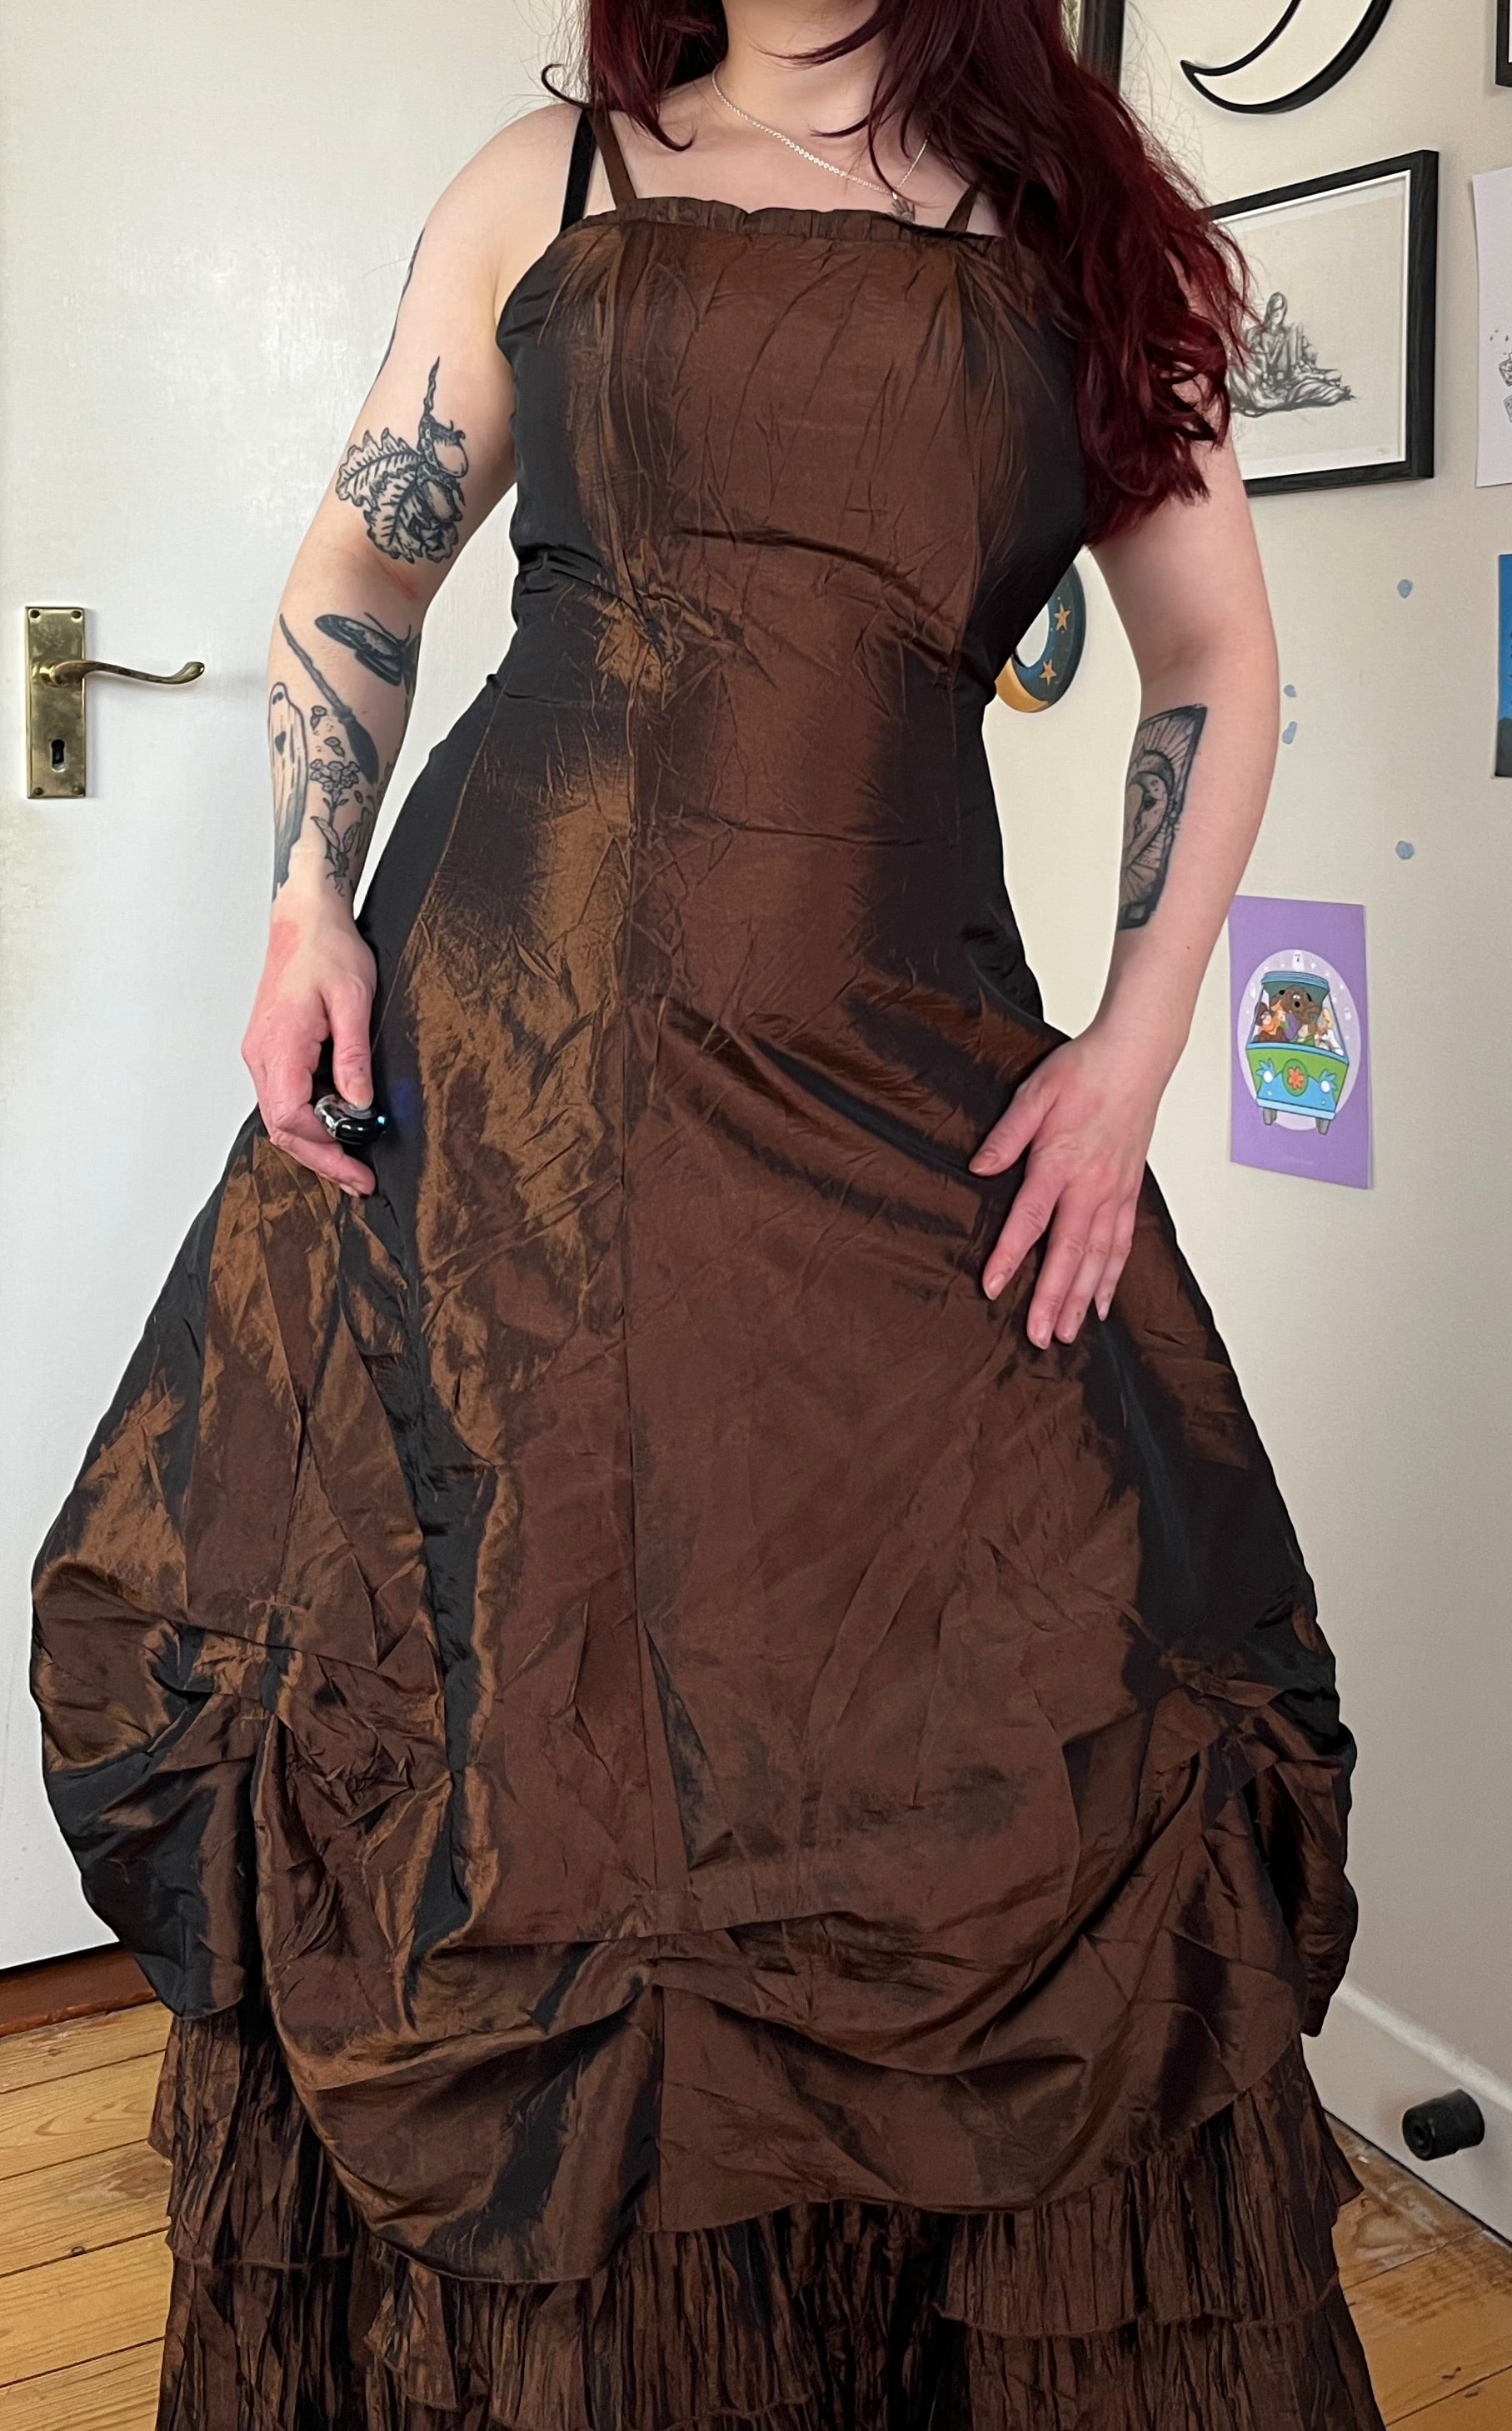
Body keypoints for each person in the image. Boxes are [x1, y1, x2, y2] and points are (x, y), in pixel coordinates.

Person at [31, 2, 1381, 2424]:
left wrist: (1136, 1047)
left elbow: (1215, 655)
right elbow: (368, 553)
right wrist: (307, 899)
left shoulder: (1078, 219)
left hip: (905, 1060)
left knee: (1012, 1691)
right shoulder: (546, 179)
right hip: (501, 1075)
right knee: (518, 1708)